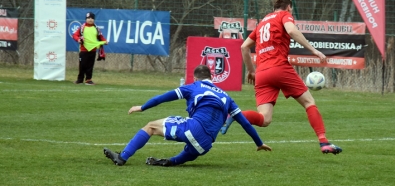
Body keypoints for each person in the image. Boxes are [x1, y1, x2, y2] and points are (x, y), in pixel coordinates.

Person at [221, 0, 342, 155]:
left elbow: (244, 47)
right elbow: (292, 31)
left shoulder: (263, 22)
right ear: (289, 7)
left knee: (264, 119)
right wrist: (314, 50)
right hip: (279, 68)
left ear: (273, 7)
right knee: (309, 102)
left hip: (262, 73)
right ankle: (324, 142)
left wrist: (251, 71)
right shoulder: (285, 15)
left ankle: (235, 115)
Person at [103, 65, 272, 167]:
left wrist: (142, 107)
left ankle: (122, 157)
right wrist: (259, 143)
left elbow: (162, 98)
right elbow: (245, 123)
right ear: (212, 78)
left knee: (151, 127)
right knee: (191, 150)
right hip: (205, 145)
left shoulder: (193, 86)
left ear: (195, 77)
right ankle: (169, 162)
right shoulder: (227, 97)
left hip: (194, 128)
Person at [72, 12, 107, 85]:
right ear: (86, 19)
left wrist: (104, 41)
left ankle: (88, 79)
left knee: (90, 65)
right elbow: (75, 35)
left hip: (93, 50)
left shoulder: (96, 28)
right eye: (88, 18)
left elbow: (100, 37)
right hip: (83, 49)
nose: (90, 20)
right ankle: (80, 79)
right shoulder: (82, 27)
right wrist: (78, 39)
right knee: (82, 65)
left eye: (92, 18)